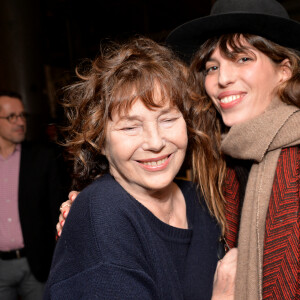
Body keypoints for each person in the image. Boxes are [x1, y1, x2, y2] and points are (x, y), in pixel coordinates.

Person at [44, 37, 237, 300]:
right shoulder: (102, 216)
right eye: (130, 127)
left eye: (168, 119)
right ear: (99, 141)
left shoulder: (205, 198)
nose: (156, 142)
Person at [166, 0, 300, 299]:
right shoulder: (224, 156)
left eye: (242, 59)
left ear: (284, 70)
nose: (222, 79)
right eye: (212, 67)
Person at [0, 91, 67, 299]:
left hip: (36, 265)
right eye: (12, 117)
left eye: (22, 116)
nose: (20, 122)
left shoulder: (43, 157)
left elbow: (57, 208)